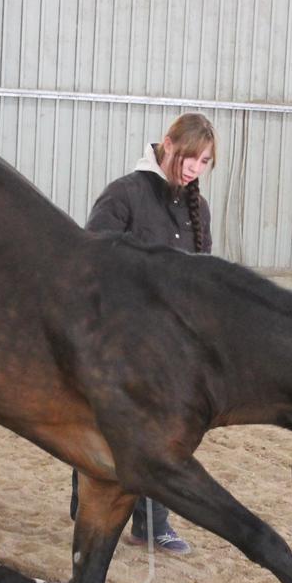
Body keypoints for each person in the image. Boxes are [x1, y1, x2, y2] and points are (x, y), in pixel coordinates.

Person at [69, 112, 217, 555]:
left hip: (172, 342)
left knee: (165, 430)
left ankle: (150, 522)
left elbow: (201, 275)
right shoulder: (125, 194)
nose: (194, 168)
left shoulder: (199, 209)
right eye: (190, 157)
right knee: (116, 428)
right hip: (119, 336)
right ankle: (98, 508)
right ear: (167, 144)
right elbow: (91, 259)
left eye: (205, 161)